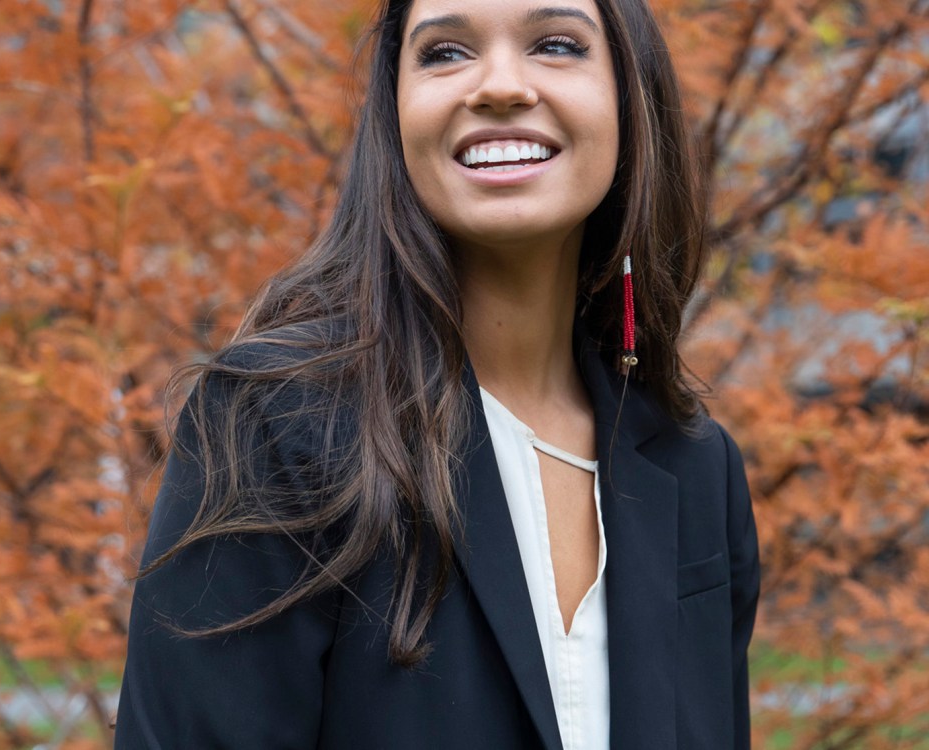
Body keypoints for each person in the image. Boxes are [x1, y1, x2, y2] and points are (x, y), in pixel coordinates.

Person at [114, 0, 761, 747]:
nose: (499, 85)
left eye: (555, 44)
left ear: (630, 100)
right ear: (394, 119)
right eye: (445, 53)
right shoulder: (276, 423)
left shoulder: (696, 468)